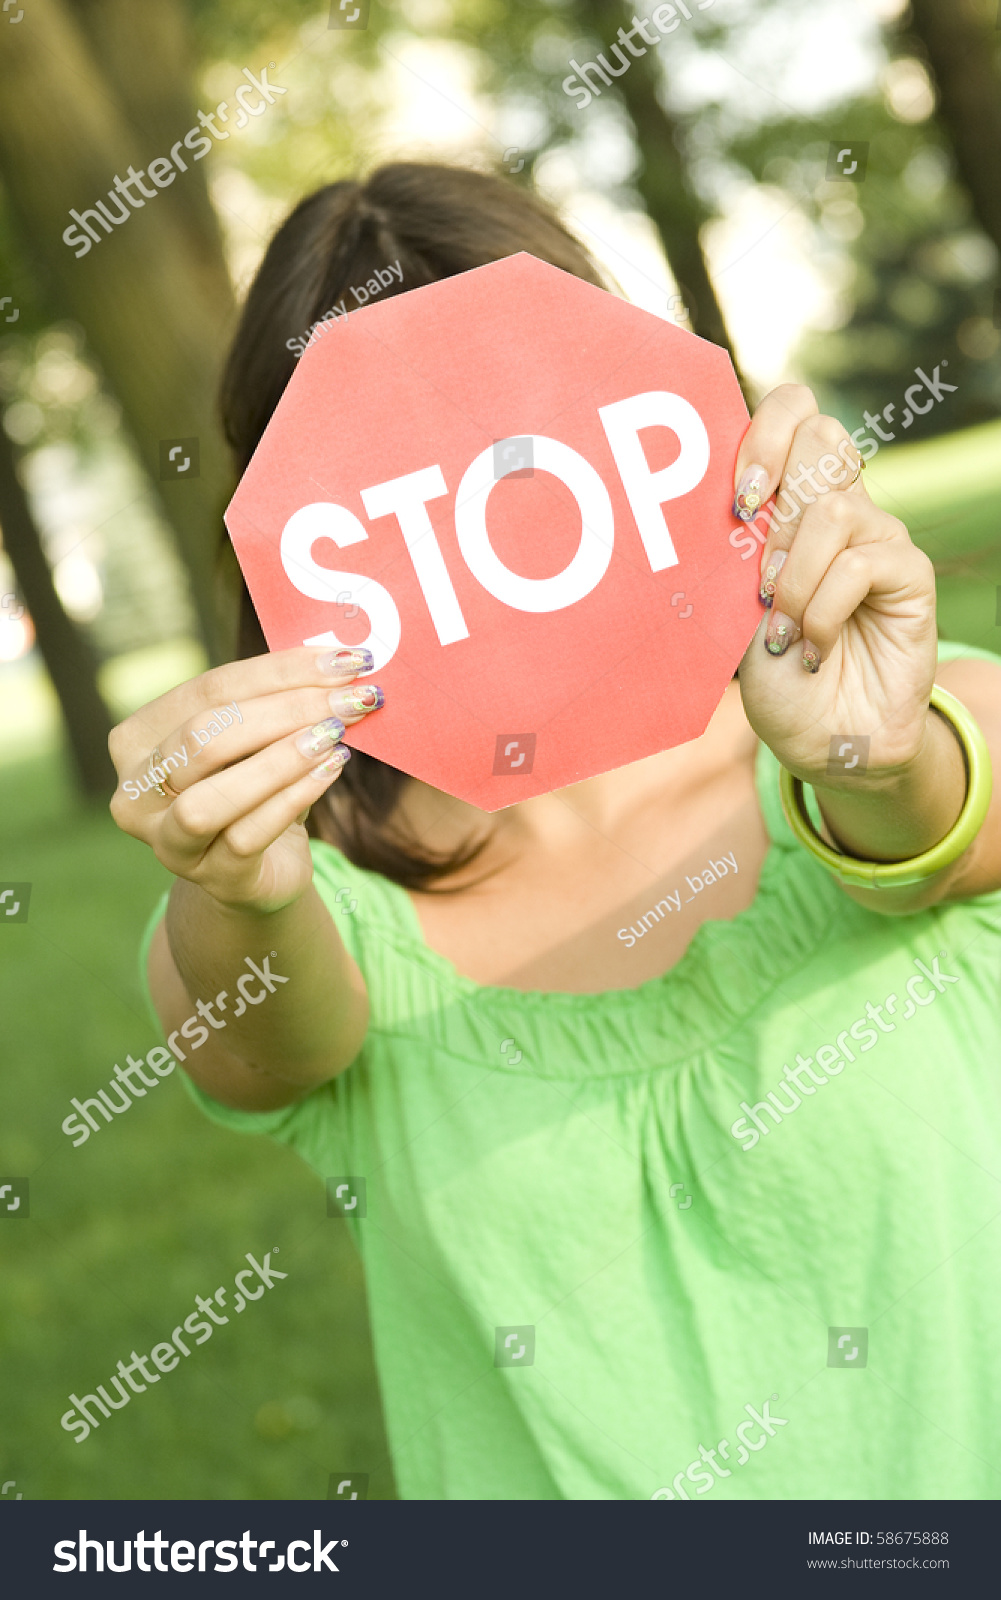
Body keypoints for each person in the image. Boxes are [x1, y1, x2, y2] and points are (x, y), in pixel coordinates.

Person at [110, 163, 1001, 1501]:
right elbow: (256, 1038)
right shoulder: (316, 906)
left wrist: (863, 752)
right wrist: (239, 884)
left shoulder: (890, 725)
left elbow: (928, 813)